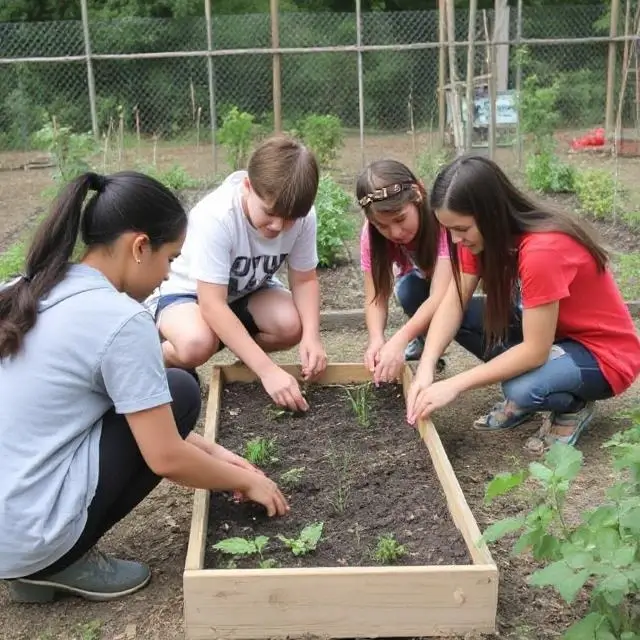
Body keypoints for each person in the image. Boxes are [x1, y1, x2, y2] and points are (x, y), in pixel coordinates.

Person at [0, 170, 289, 604]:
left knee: (167, 394)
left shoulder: (28, 287)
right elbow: (165, 455)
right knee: (181, 391)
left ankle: (31, 568)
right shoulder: (122, 321)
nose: (168, 277)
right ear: (139, 247)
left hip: (10, 520)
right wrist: (245, 483)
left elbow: (128, 419)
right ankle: (58, 561)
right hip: (30, 532)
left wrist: (218, 455)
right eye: (171, 259)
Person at [406, 155, 640, 452]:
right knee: (462, 319)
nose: (455, 239)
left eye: (462, 229)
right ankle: (545, 384)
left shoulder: (543, 250)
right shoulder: (478, 239)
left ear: (491, 214)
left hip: (602, 355)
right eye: (448, 229)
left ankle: (572, 406)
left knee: (520, 389)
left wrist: (454, 385)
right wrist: (426, 366)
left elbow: (534, 350)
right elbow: (453, 302)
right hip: (554, 335)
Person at [148, 134, 327, 413]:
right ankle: (165, 359)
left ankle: (242, 359)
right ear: (247, 186)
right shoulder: (217, 217)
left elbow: (304, 279)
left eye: (290, 219)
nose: (279, 226)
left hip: (247, 291)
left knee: (293, 324)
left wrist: (312, 337)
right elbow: (211, 304)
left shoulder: (303, 216)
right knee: (197, 344)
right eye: (269, 213)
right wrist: (268, 371)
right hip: (188, 295)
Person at [356, 159, 452, 385]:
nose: (395, 232)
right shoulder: (371, 236)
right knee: (408, 289)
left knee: (455, 313)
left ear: (417, 193)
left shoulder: (443, 222)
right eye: (383, 226)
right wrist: (377, 339)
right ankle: (423, 338)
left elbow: (440, 296)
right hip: (423, 282)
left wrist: (400, 338)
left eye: (400, 219)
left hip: (455, 289)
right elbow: (375, 296)